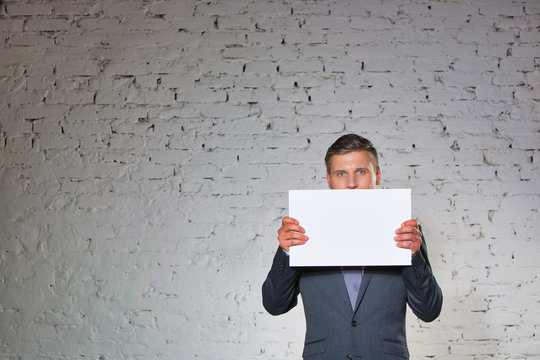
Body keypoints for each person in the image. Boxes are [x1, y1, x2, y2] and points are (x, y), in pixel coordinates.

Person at [262, 134, 443, 360]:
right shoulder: (303, 230)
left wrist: (414, 256)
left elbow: (429, 311)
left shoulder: (406, 231)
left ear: (376, 174)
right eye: (341, 173)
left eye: (361, 171)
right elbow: (274, 305)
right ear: (329, 179)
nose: (351, 184)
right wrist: (286, 252)